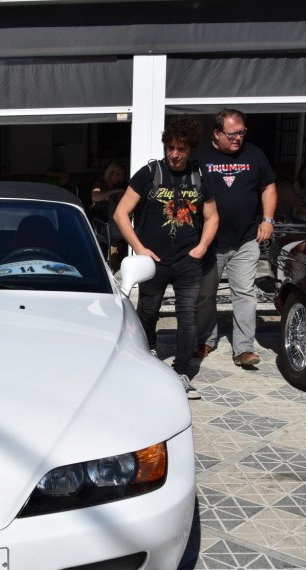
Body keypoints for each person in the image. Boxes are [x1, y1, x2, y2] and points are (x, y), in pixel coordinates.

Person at [114, 115, 218, 399]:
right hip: (153, 262)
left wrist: (202, 247)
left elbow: (212, 217)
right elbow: (121, 213)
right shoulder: (149, 173)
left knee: (188, 316)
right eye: (170, 147)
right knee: (148, 312)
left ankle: (182, 371)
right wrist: (139, 248)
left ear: (190, 149)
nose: (174, 154)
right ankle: (146, 358)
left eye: (181, 149)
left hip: (187, 262)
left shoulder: (200, 176)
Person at [194, 108, 276, 368]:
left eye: (241, 132)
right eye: (232, 134)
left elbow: (269, 187)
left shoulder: (255, 154)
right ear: (217, 133)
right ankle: (205, 339)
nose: (238, 138)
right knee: (205, 294)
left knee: (244, 293)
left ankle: (243, 349)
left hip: (246, 239)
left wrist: (268, 219)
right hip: (210, 241)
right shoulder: (200, 157)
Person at [90, 163, 129, 268]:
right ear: (111, 174)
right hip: (100, 218)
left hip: (112, 218)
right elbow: (95, 197)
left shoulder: (118, 186)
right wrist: (114, 191)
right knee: (102, 243)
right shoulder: (100, 183)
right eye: (118, 175)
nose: (120, 178)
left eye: (121, 175)